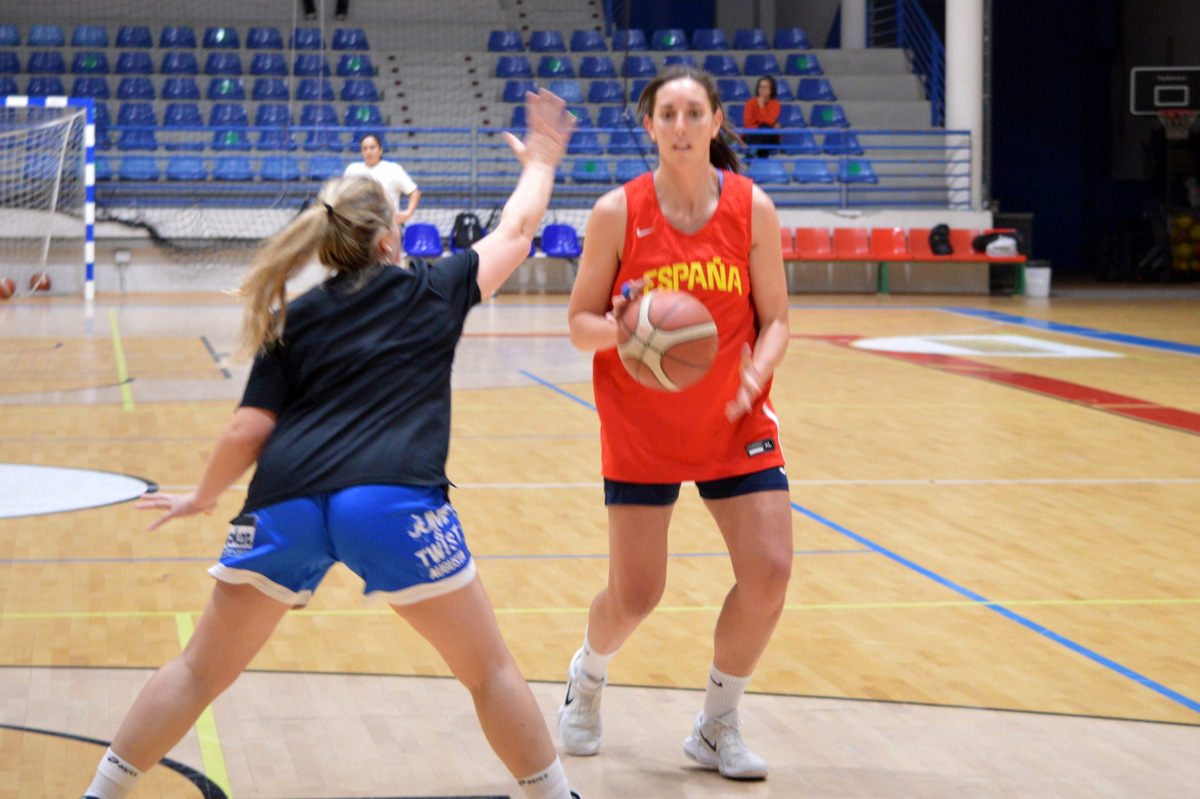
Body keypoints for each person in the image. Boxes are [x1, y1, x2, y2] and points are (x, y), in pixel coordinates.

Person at [79, 90, 580, 799]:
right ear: (389, 238)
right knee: (489, 670)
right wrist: (542, 162)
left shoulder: (296, 315)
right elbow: (520, 228)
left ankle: (99, 794)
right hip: (390, 499)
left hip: (285, 501)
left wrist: (203, 496)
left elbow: (248, 428)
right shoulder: (431, 287)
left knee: (197, 671)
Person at [559, 65, 792, 782]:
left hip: (734, 417)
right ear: (649, 126)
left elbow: (777, 319)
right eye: (668, 114)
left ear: (717, 122)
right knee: (636, 595)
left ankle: (717, 723)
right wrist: (628, 328)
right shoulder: (617, 212)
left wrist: (756, 370)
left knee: (769, 574)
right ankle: (588, 673)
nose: (682, 126)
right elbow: (579, 324)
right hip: (643, 424)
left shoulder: (752, 208)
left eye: (695, 113)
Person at [344, 133, 421, 226]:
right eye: (365, 148)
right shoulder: (352, 170)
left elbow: (414, 192)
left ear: (380, 150)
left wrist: (409, 212)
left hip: (387, 226)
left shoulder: (394, 169)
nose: (369, 151)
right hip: (360, 226)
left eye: (372, 148)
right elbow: (343, 195)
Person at [743, 76, 781, 159]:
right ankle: (761, 160)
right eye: (760, 87)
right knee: (765, 129)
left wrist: (761, 107)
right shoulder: (751, 102)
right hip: (752, 136)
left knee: (765, 128)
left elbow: (769, 122)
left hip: (770, 137)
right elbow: (748, 124)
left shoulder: (775, 104)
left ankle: (752, 153)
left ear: (771, 90)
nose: (762, 90)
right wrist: (768, 125)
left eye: (765, 87)